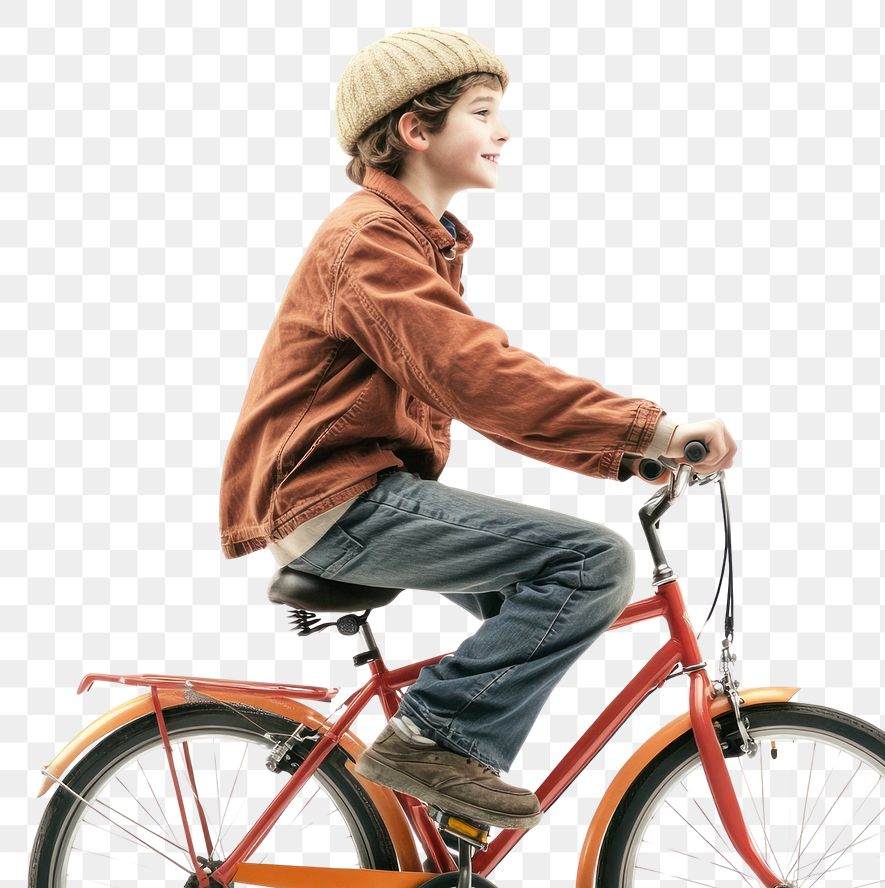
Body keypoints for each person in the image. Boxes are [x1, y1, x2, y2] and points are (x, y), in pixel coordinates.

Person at [218, 27, 737, 831]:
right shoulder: (371, 242)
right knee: (591, 563)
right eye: (484, 112)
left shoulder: (414, 241)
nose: (505, 131)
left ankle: (446, 813)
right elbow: (480, 377)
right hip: (335, 503)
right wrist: (654, 429)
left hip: (354, 498)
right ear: (415, 131)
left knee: (541, 604)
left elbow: (475, 392)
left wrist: (626, 452)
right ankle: (432, 741)